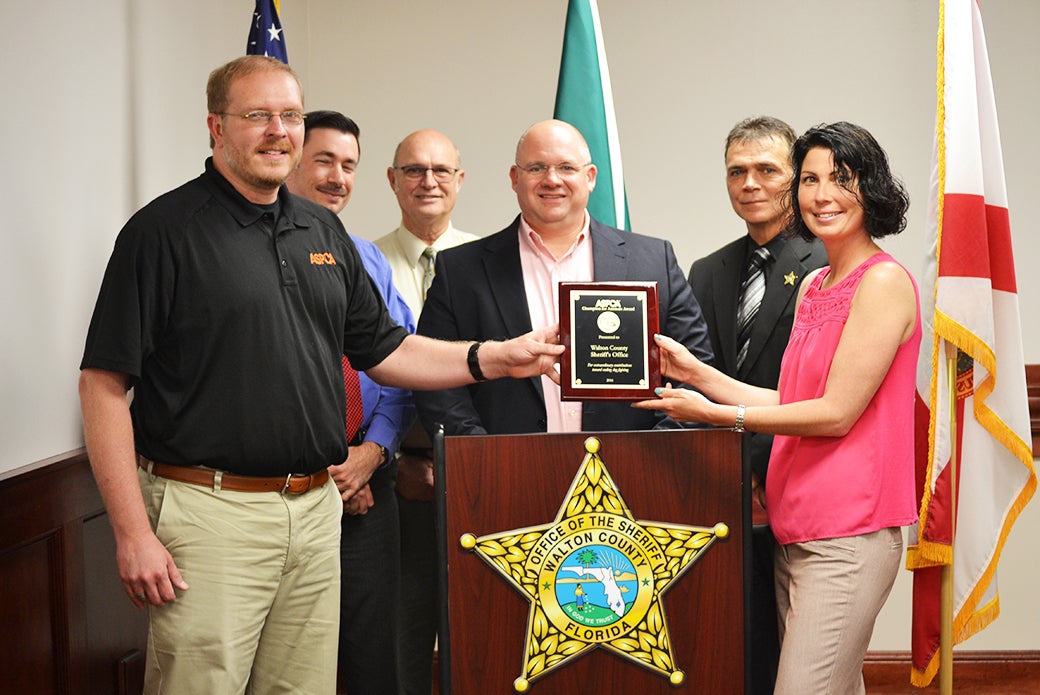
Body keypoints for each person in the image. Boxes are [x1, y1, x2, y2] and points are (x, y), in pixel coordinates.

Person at [77, 55, 562, 695]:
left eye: (290, 116)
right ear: (216, 128)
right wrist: (132, 533)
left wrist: (494, 356)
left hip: (314, 514)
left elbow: (388, 350)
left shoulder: (321, 229)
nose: (279, 131)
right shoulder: (162, 233)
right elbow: (103, 385)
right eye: (257, 116)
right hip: (209, 514)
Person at [636, 121, 920, 695]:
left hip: (848, 530)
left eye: (841, 179)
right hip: (797, 528)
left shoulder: (883, 281)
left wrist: (719, 416)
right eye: (811, 179)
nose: (822, 195)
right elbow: (791, 401)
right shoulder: (816, 283)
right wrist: (697, 376)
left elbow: (835, 413)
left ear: (873, 190)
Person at [415, 117, 713, 437]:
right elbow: (437, 384)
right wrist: (486, 459)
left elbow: (695, 373)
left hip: (634, 475)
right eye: (536, 168)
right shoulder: (460, 271)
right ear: (515, 178)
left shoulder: (654, 262)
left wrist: (650, 456)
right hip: (506, 476)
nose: (552, 179)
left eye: (567, 168)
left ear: (591, 177)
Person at [686, 115, 827, 695]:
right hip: (723, 491)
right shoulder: (707, 270)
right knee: (735, 648)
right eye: (736, 172)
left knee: (807, 658)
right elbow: (699, 379)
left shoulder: (828, 265)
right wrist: (732, 471)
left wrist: (760, 468)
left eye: (767, 170)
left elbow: (823, 393)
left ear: (794, 179)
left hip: (802, 483)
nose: (749, 184)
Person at [285, 109, 412, 694]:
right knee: (292, 662)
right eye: (324, 161)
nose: (338, 177)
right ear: (290, 160)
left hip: (369, 484)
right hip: (287, 493)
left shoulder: (369, 259)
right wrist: (331, 472)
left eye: (349, 165)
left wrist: (372, 456)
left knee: (372, 657)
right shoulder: (262, 258)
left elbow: (399, 367)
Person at [374, 128, 477, 695]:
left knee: (484, 625)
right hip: (394, 478)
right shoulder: (358, 262)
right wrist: (395, 461)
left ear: (460, 181)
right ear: (392, 181)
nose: (428, 181)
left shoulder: (491, 262)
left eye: (441, 170)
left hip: (479, 472)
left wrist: (466, 459)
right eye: (413, 170)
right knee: (403, 633)